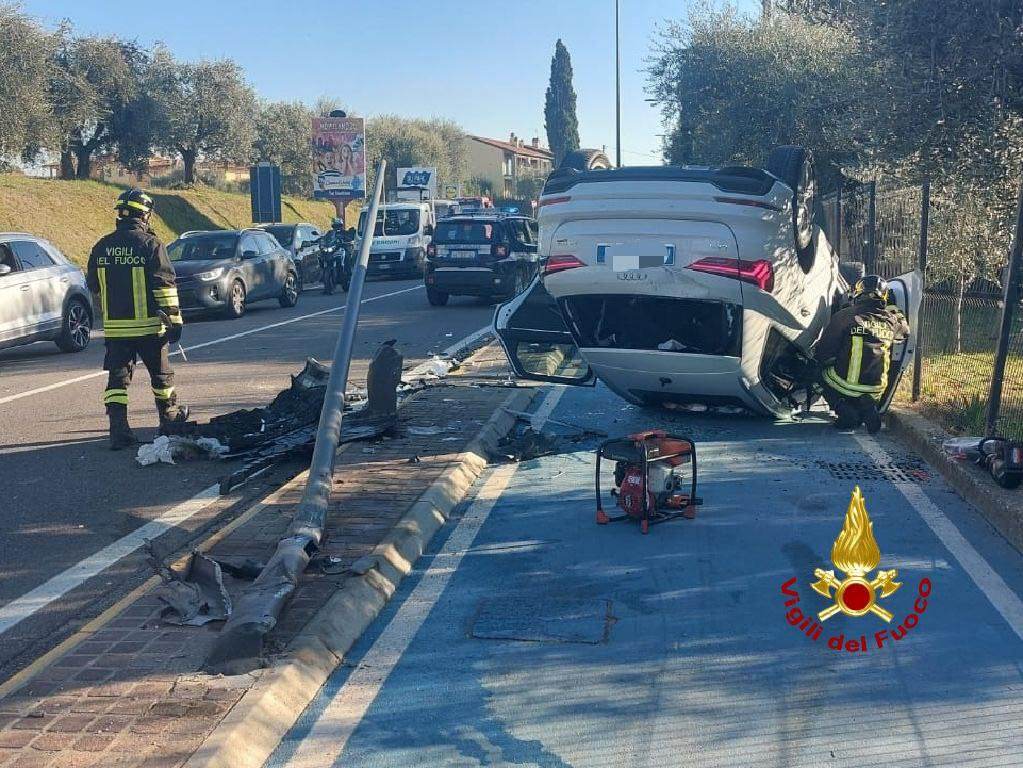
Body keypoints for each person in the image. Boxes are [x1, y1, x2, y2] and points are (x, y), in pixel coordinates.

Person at [86, 188, 189, 450]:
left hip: (116, 331)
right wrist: (174, 321)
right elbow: (165, 286)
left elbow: (93, 286)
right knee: (161, 377)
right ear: (144, 215)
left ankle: (118, 431)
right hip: (150, 329)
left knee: (117, 382)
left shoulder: (102, 246)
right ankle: (169, 422)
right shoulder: (151, 245)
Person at [813, 275, 909, 434]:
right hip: (876, 389)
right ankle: (866, 406)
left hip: (844, 385)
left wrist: (821, 363)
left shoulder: (844, 316)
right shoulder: (891, 321)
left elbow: (824, 351)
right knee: (856, 386)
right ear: (884, 296)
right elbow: (905, 333)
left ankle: (842, 409)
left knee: (815, 374)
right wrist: (894, 310)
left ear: (857, 293)